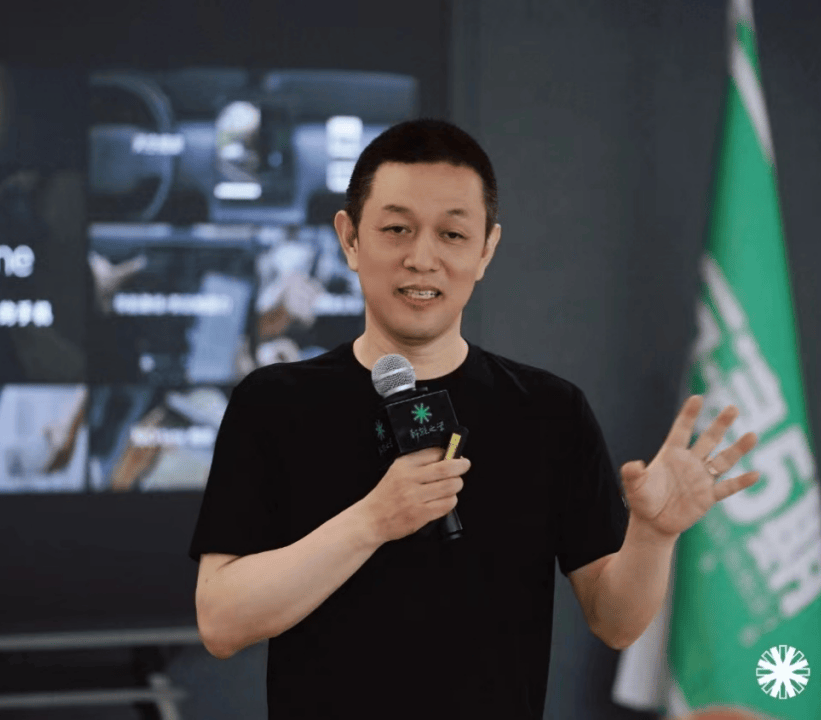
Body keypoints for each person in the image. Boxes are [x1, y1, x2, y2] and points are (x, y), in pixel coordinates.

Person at [188, 119, 760, 719]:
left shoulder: (549, 411)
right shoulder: (274, 402)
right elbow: (221, 622)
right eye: (396, 229)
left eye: (452, 234)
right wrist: (373, 520)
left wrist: (653, 536)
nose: (422, 258)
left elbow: (616, 622)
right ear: (350, 238)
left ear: (486, 250)